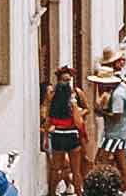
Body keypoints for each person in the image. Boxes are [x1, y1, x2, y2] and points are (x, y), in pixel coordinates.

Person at [42, 67, 87, 196]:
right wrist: (76, 112)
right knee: (75, 170)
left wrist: (46, 137)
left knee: (55, 169)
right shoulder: (72, 101)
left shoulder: (52, 97)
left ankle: (51, 193)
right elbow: (78, 123)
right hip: (71, 135)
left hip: (57, 136)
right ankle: (79, 193)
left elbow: (48, 119)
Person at [91, 66, 126, 181]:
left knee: (100, 161)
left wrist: (101, 112)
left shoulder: (117, 95)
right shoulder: (122, 87)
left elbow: (116, 117)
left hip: (115, 134)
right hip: (122, 132)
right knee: (121, 164)